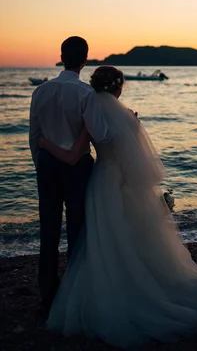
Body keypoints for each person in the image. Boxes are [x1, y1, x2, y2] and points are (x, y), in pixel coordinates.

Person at [40, 65, 197, 348]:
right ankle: (145, 282)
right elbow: (137, 157)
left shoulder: (90, 108)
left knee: (104, 239)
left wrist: (45, 143)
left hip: (103, 181)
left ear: (95, 85)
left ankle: (112, 290)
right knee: (135, 235)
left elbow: (74, 156)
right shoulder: (128, 116)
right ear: (118, 87)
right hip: (128, 183)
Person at [29, 37, 111, 317]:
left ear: (61, 56)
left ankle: (48, 295)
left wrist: (41, 165)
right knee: (77, 229)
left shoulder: (41, 91)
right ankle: (75, 293)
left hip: (48, 165)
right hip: (78, 168)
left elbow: (35, 135)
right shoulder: (85, 94)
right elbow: (99, 134)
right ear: (85, 59)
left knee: (49, 231)